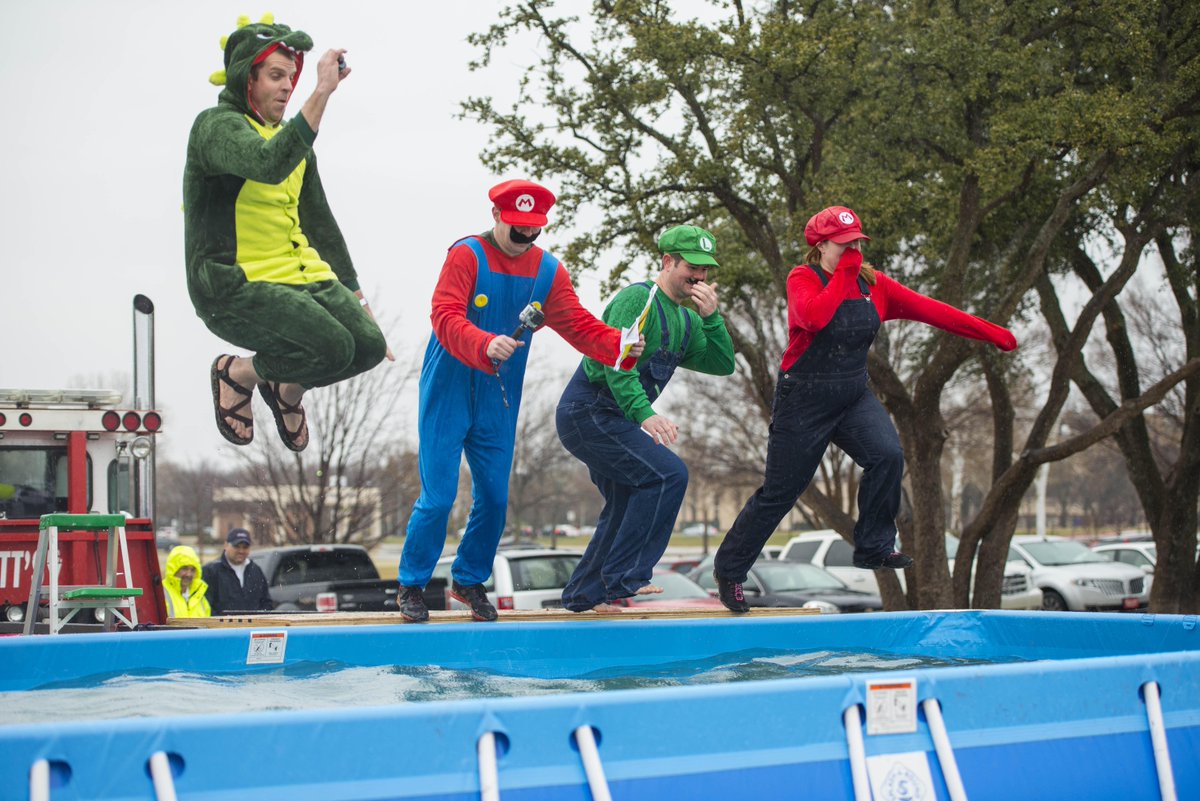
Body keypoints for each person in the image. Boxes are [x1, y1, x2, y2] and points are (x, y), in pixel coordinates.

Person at [712, 206, 1018, 612]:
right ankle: (730, 570)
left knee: (888, 455)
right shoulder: (803, 278)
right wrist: (842, 276)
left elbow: (933, 310)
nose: (853, 250)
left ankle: (874, 546)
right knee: (781, 492)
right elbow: (814, 318)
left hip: (853, 394)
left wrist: (990, 332)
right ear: (822, 246)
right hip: (804, 397)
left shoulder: (875, 285)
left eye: (857, 242)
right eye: (844, 244)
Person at [397, 180, 644, 623]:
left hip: (499, 395)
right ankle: (412, 585)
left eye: (535, 228)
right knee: (439, 497)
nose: (527, 236)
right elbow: (444, 315)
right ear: (496, 216)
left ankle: (469, 580)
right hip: (448, 387)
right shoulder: (467, 255)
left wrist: (619, 344)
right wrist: (483, 342)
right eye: (518, 227)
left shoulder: (547, 271)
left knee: (495, 498)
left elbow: (578, 324)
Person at [183, 14, 392, 453]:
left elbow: (320, 224)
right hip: (232, 283)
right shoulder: (215, 127)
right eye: (276, 76)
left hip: (301, 276)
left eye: (291, 77)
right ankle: (237, 373)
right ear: (248, 77)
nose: (286, 86)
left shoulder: (297, 146)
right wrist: (321, 93)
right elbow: (268, 163)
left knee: (368, 347)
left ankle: (286, 389)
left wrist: (357, 297)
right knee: (332, 347)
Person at [556, 225, 736, 613]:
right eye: (692, 267)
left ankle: (584, 595)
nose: (700, 276)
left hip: (614, 419)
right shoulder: (638, 299)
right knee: (668, 474)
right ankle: (627, 576)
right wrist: (645, 414)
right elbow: (617, 364)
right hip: (588, 411)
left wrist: (711, 318)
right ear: (668, 262)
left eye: (705, 269)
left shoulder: (687, 321)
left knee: (626, 499)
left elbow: (722, 363)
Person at [202, 528, 274, 615]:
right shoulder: (211, 571)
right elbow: (205, 605)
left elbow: (266, 602)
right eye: (236, 546)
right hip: (221, 624)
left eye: (245, 547)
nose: (241, 551)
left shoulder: (256, 570)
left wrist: (258, 619)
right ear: (226, 545)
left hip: (253, 623)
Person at [162, 545, 211, 618]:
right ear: (173, 569)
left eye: (193, 570)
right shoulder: (161, 593)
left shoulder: (199, 595)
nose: (189, 574)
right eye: (184, 568)